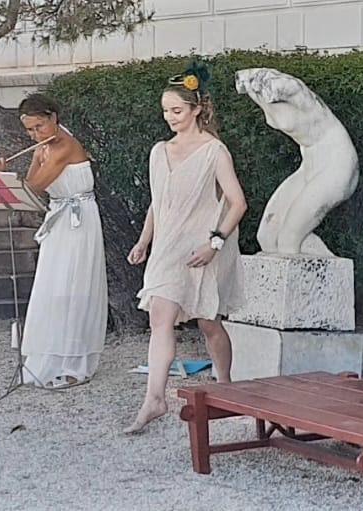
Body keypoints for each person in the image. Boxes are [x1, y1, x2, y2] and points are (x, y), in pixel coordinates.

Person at [124, 63, 247, 434]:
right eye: (166, 110)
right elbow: (157, 202)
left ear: (196, 109)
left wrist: (214, 243)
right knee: (159, 319)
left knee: (209, 323)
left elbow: (238, 203)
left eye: (176, 110)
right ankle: (154, 398)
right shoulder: (159, 151)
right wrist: (144, 240)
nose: (170, 117)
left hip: (201, 246)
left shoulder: (214, 151)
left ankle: (225, 386)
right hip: (166, 247)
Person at [0, 94, 107, 388]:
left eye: (39, 126)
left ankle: (74, 362)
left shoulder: (64, 146)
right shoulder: (45, 146)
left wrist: (2, 178)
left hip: (77, 221)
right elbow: (31, 184)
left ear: (54, 117)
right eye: (30, 130)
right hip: (59, 218)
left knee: (74, 286)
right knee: (53, 285)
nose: (35, 134)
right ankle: (51, 355)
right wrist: (30, 159)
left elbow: (33, 190)